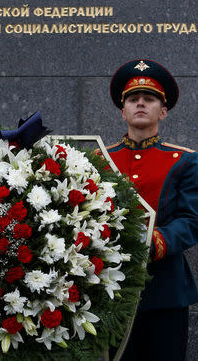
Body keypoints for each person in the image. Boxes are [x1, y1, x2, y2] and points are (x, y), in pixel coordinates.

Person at [106, 59, 198, 361]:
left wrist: (152, 241)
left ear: (163, 110)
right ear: (123, 112)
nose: (140, 103)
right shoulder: (99, 159)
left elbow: (191, 220)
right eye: (133, 99)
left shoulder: (185, 161)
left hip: (165, 290)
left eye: (150, 99)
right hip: (109, 291)